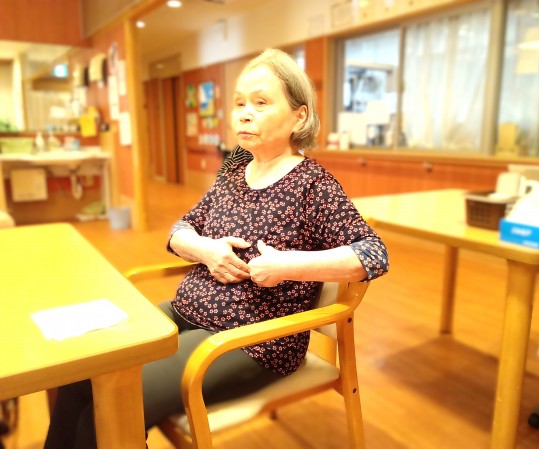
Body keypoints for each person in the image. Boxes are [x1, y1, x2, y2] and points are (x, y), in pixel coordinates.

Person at [44, 48, 389, 449]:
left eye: (261, 103)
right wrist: (206, 249)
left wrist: (286, 265)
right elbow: (179, 231)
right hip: (186, 313)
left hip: (250, 339)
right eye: (239, 103)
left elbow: (373, 254)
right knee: (80, 373)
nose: (244, 114)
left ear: (300, 116)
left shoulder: (313, 185)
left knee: (111, 408)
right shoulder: (234, 171)